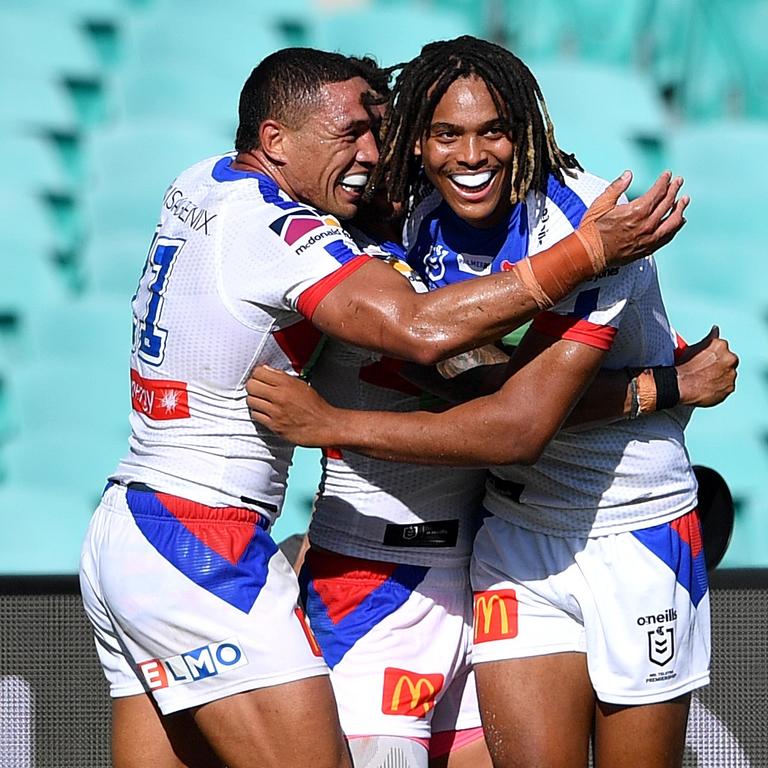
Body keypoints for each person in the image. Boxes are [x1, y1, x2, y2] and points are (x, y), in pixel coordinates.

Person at [77, 46, 687, 768]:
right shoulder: (294, 239)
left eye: (383, 135)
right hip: (225, 540)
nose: (373, 157)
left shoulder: (204, 180)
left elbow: (499, 393)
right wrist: (586, 255)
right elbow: (431, 340)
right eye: (353, 137)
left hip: (443, 567)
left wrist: (656, 389)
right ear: (274, 141)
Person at [245, 38, 738, 768]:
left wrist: (332, 427)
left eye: (493, 131)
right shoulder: (413, 221)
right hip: (512, 534)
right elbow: (477, 379)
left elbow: (518, 424)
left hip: (634, 532)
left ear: (528, 132)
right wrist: (660, 387)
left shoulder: (593, 227)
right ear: (418, 140)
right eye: (447, 133)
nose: (470, 155)